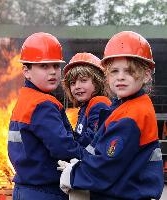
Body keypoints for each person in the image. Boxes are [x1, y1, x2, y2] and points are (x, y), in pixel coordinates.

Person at [59, 31, 164, 199]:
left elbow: (107, 165)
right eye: (114, 71)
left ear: (146, 75)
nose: (120, 77)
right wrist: (82, 165)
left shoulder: (131, 114)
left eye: (129, 71)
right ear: (107, 76)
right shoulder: (125, 107)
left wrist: (74, 175)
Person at [8, 32, 84, 200]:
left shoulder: (24, 100)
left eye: (56, 66)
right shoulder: (43, 104)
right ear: (26, 71)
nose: (53, 72)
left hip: (23, 190)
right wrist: (91, 158)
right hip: (45, 192)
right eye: (44, 66)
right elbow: (64, 148)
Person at [62, 53, 111, 147]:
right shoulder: (86, 107)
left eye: (83, 80)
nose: (77, 87)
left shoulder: (99, 103)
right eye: (72, 83)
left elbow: (91, 140)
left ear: (98, 82)